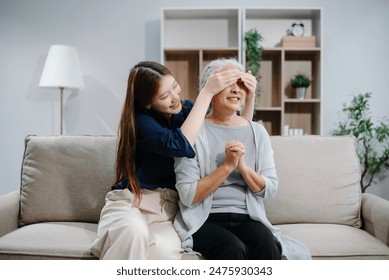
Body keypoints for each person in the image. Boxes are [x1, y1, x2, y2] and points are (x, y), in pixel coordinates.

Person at [90, 60, 257, 259]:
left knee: (164, 253)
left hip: (169, 211)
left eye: (175, 87)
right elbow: (179, 145)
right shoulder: (141, 122)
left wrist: (250, 96)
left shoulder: (186, 112)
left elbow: (234, 126)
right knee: (134, 233)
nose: (175, 98)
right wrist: (206, 92)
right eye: (164, 95)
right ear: (147, 103)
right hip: (133, 201)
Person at [174, 58, 311, 260]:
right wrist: (227, 167)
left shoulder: (257, 132)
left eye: (241, 84)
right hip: (206, 219)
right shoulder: (194, 132)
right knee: (233, 249)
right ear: (210, 89)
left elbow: (271, 188)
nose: (236, 89)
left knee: (269, 246)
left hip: (248, 218)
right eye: (228, 83)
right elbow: (187, 195)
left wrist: (243, 168)